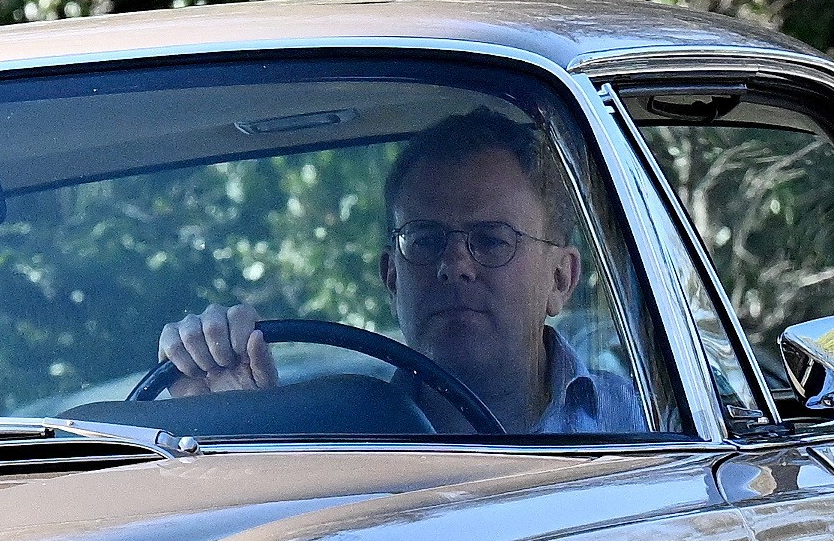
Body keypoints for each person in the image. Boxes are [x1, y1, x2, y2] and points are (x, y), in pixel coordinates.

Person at [154, 109, 649, 435]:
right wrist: (233, 419)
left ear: (560, 280)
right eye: (425, 240)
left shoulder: (650, 425)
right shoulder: (337, 443)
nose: (455, 266)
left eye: (492, 240)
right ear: (391, 277)